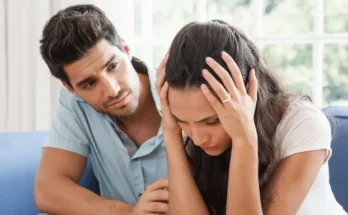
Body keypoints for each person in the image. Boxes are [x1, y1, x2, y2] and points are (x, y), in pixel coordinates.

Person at [155, 19, 347, 215]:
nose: (198, 138)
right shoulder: (192, 127)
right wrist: (171, 134)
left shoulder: (304, 124)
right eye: (182, 121)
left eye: (212, 121)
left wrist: (244, 138)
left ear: (248, 94)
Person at [35, 4, 169, 215]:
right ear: (71, 89)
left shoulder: (180, 93)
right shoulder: (75, 103)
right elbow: (48, 190)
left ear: (125, 50)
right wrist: (128, 212)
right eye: (90, 83)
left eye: (113, 66)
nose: (112, 90)